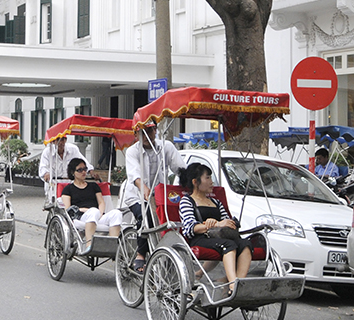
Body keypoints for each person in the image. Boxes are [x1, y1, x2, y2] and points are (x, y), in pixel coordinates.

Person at [178, 162, 252, 295]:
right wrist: (212, 224)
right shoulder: (187, 201)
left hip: (219, 237)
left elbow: (226, 222)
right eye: (208, 178)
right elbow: (189, 228)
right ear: (195, 182)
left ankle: (239, 283)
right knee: (228, 245)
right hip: (200, 238)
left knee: (245, 244)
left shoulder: (216, 202)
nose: (212, 182)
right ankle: (233, 286)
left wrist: (228, 223)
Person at [125, 122, 186, 273]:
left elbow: (180, 169)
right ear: (136, 135)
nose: (147, 136)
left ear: (155, 131)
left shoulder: (167, 146)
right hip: (137, 196)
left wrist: (190, 185)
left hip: (161, 196)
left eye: (150, 131)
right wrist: (144, 188)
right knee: (146, 217)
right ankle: (141, 254)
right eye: (142, 132)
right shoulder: (132, 151)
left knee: (176, 219)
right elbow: (135, 175)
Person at [61, 158, 123, 253]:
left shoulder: (93, 186)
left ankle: (113, 247)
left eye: (85, 169)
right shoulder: (68, 189)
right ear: (73, 172)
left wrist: (100, 213)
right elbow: (68, 209)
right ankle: (89, 244)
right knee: (93, 211)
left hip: (97, 215)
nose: (84, 172)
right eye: (80, 170)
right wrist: (85, 210)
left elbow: (101, 202)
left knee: (116, 213)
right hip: (81, 216)